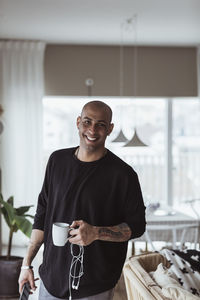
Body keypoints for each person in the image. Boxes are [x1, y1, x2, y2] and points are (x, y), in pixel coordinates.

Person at [18, 100, 146, 300]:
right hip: (51, 280)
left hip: (95, 284)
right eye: (87, 122)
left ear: (110, 129)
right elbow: (42, 214)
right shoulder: (56, 161)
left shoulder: (123, 175)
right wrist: (27, 264)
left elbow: (137, 226)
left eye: (101, 124)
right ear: (78, 122)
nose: (92, 130)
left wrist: (96, 233)